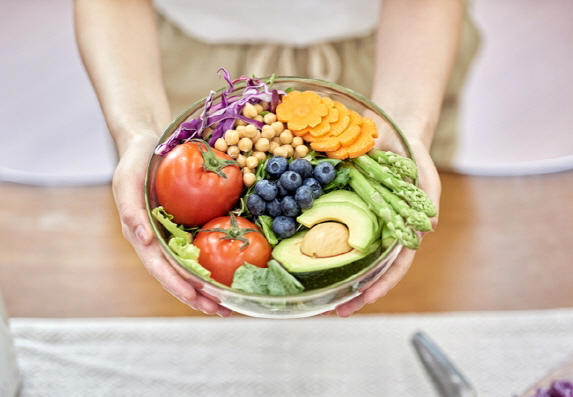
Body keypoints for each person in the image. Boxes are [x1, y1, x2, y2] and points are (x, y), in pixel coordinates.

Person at [74, 0, 478, 317]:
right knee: (175, 297)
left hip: (397, 57)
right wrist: (141, 130)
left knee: (408, 293)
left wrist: (406, 122)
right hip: (178, 67)